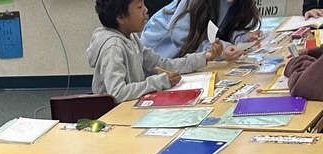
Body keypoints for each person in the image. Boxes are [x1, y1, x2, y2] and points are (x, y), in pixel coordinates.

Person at [88, 0, 223, 103]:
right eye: (139, 7)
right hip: (113, 116)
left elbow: (164, 65)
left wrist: (205, 57)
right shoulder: (113, 47)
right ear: (121, 18)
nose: (145, 10)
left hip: (132, 106)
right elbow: (117, 93)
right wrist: (160, 81)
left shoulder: (131, 38)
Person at [141, 0, 261, 61]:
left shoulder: (237, 3)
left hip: (190, 57)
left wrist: (243, 38)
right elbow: (183, 38)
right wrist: (219, 50)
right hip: (162, 52)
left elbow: (226, 29)